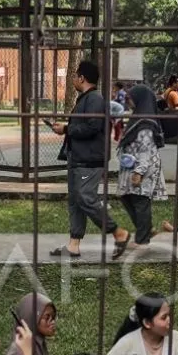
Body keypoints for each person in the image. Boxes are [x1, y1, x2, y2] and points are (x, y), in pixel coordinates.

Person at [51, 61, 132, 259]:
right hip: (78, 158)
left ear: (82, 78)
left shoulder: (95, 99)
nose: (73, 80)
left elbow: (92, 126)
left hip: (90, 159)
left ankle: (119, 233)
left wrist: (66, 129)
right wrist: (66, 128)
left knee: (85, 199)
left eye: (75, 76)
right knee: (75, 201)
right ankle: (74, 245)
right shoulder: (85, 98)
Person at [116, 85, 172, 251]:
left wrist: (139, 172)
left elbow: (145, 150)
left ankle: (142, 240)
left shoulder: (146, 124)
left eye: (131, 98)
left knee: (140, 201)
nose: (129, 101)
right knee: (126, 197)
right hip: (132, 165)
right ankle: (147, 229)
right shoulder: (138, 119)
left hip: (143, 167)